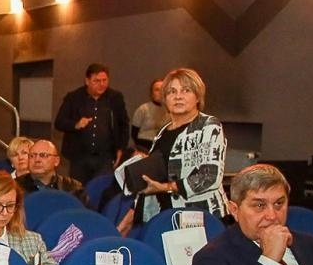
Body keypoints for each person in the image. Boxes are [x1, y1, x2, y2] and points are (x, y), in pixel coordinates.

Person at [117, 67, 228, 232]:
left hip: (201, 218)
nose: (178, 96)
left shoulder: (208, 126)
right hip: (166, 216)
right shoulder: (163, 131)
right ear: (165, 99)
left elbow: (209, 176)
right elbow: (156, 177)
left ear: (197, 96)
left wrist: (166, 187)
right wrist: (128, 219)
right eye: (171, 92)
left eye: (186, 90)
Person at [53, 63, 130, 183]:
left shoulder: (115, 98)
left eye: (104, 80)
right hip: (79, 157)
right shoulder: (74, 97)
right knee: (78, 190)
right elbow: (59, 122)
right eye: (97, 81)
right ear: (87, 81)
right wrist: (76, 124)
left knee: (101, 190)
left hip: (105, 156)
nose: (102, 84)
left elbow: (124, 124)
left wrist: (120, 148)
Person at [17, 139, 85, 202]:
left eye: (43, 155)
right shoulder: (15, 186)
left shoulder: (73, 188)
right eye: (32, 156)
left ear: (56, 161)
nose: (37, 160)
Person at [129, 76, 168, 153]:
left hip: (160, 146)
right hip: (143, 145)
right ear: (152, 93)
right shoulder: (143, 109)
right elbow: (134, 133)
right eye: (157, 90)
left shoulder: (169, 111)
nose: (160, 92)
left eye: (162, 89)